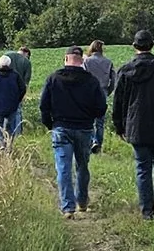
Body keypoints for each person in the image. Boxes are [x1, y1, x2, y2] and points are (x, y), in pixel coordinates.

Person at [111, 29, 154, 219]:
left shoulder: (125, 71)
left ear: (134, 46)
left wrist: (119, 126)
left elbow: (118, 102)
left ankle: (147, 212)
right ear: (152, 45)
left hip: (136, 127)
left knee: (143, 168)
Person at [39, 45, 107, 218]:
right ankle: (82, 201)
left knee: (63, 168)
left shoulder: (54, 78)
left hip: (61, 127)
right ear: (82, 60)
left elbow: (44, 105)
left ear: (66, 58)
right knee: (82, 166)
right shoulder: (91, 80)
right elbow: (101, 107)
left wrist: (50, 124)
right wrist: (91, 118)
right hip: (84, 128)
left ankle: (68, 207)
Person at [0, 53, 26, 152]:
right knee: (10, 127)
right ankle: (9, 146)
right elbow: (23, 88)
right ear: (9, 64)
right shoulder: (15, 75)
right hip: (12, 106)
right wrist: (18, 99)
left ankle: (1, 146)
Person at [82, 41, 117, 153]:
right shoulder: (108, 62)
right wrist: (108, 91)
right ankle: (99, 144)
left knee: (89, 119)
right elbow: (113, 80)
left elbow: (82, 76)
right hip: (103, 92)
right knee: (100, 121)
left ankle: (93, 141)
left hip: (88, 92)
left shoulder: (87, 61)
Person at [5, 46, 33, 138]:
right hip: (18, 91)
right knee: (17, 112)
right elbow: (26, 82)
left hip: (4, 88)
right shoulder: (26, 62)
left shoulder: (7, 55)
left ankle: (5, 133)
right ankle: (17, 134)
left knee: (4, 112)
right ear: (27, 54)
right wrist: (24, 95)